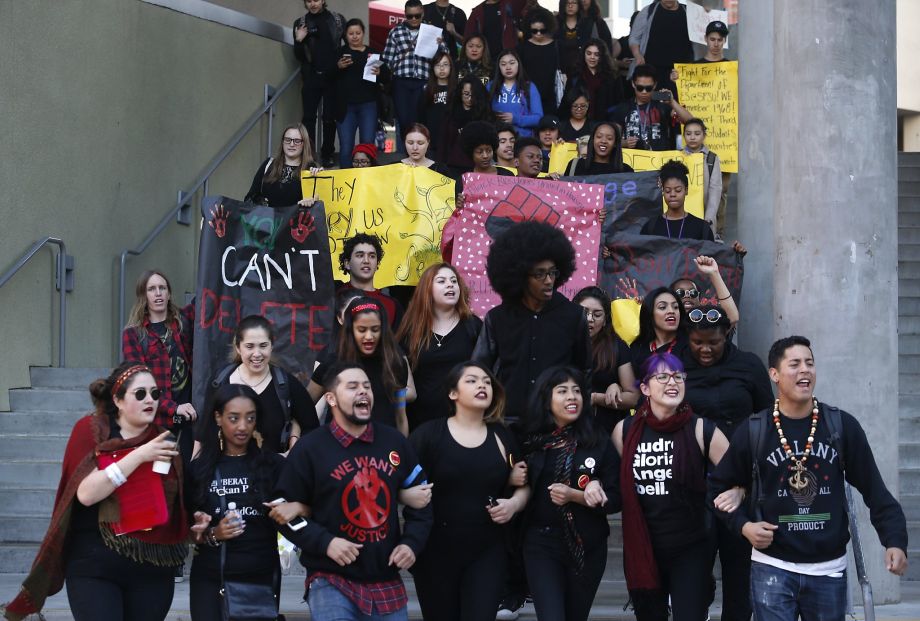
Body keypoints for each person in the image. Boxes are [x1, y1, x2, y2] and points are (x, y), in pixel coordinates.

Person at [709, 336, 909, 621]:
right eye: (795, 364)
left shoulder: (840, 426)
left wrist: (895, 540)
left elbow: (875, 490)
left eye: (810, 363)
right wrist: (744, 527)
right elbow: (716, 489)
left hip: (827, 571)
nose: (805, 370)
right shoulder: (755, 430)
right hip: (772, 568)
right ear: (774, 375)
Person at [3, 363, 207, 621]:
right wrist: (138, 456)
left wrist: (194, 519)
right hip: (95, 566)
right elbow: (85, 493)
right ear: (118, 400)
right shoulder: (90, 431)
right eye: (140, 394)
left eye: (155, 394)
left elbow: (176, 501)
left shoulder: (163, 440)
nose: (150, 400)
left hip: (153, 568)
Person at [275, 362, 433, 621]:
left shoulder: (394, 442)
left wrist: (411, 544)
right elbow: (280, 508)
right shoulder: (310, 448)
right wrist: (325, 542)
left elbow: (422, 499)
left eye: (367, 386)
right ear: (331, 398)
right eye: (353, 387)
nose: (363, 392)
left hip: (386, 580)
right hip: (330, 580)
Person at [612, 353, 731, 621]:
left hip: (690, 546)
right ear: (644, 388)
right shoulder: (624, 430)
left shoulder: (701, 429)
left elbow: (738, 474)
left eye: (678, 376)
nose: (672, 382)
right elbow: (613, 479)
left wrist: (736, 492)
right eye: (662, 377)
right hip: (644, 545)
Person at [409, 361, 529, 620]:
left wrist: (513, 504)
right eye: (472, 381)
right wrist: (404, 495)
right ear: (453, 393)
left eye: (486, 382)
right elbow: (398, 481)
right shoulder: (428, 435)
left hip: (488, 551)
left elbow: (524, 486)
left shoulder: (502, 436)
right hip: (435, 551)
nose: (482, 385)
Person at [678, 306, 772, 621]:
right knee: (694, 571)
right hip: (693, 484)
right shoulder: (676, 367)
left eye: (713, 343)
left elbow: (768, 419)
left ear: (727, 336)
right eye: (697, 342)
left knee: (740, 570)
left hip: (742, 486)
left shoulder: (749, 366)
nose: (705, 349)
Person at [188, 384, 295, 621]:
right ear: (218, 417)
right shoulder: (199, 469)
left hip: (260, 575)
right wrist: (214, 532)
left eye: (250, 418)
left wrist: (293, 508)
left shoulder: (274, 466)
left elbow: (304, 508)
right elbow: (189, 531)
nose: (243, 426)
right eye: (234, 418)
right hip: (211, 576)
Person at [520, 366, 620, 621]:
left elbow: (617, 496)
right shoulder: (529, 441)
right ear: (546, 398)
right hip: (541, 544)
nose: (572, 397)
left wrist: (578, 494)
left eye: (576, 391)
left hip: (587, 545)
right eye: (562, 391)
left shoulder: (597, 440)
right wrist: (512, 477)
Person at [473, 221, 591, 427]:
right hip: (506, 423)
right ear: (519, 276)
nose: (549, 280)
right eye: (540, 274)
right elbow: (478, 371)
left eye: (553, 272)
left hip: (557, 425)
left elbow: (583, 371)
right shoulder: (497, 318)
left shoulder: (574, 315)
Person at [205, 315, 319, 455]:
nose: (257, 354)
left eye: (263, 346)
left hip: (274, 474)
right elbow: (205, 431)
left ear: (272, 346)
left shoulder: (286, 384)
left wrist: (293, 454)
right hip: (228, 473)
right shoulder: (219, 381)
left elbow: (312, 428)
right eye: (250, 346)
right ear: (239, 348)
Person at [308, 297, 414, 436]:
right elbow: (305, 406)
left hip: (382, 448)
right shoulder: (332, 363)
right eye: (362, 330)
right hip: (340, 447)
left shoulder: (395, 363)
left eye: (375, 329)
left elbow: (400, 416)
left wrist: (402, 451)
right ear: (351, 330)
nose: (369, 336)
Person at [122, 269, 196, 463]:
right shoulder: (134, 335)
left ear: (169, 293)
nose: (158, 293)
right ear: (143, 295)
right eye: (152, 289)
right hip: (158, 423)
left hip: (189, 420)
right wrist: (173, 407)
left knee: (189, 478)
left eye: (162, 288)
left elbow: (208, 297)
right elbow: (138, 385)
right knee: (163, 479)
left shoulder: (184, 322)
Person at [397, 264, 483, 430]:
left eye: (454, 281)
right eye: (441, 281)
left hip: (465, 422)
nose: (450, 285)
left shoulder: (473, 325)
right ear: (427, 289)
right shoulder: (411, 330)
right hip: (421, 424)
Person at [382, 0, 446, 152]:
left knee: (422, 120)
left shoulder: (432, 31)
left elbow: (445, 59)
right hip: (401, 81)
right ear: (405, 15)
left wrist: (441, 45)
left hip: (424, 81)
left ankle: (422, 156)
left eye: (417, 15)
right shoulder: (396, 32)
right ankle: (407, 156)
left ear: (422, 12)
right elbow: (387, 60)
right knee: (404, 120)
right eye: (410, 16)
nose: (414, 19)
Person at [573, 286, 638, 433]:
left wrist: (597, 398)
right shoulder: (561, 344)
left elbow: (633, 398)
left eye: (597, 314)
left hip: (607, 430)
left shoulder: (617, 346)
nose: (590, 319)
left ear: (604, 320)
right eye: (584, 312)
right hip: (567, 429)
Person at [293, 0, 345, 168]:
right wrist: (299, 40)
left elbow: (346, 46)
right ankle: (309, 156)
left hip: (333, 76)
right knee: (308, 118)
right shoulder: (301, 23)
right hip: (311, 76)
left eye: (316, 0)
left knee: (329, 118)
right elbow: (299, 56)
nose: (312, 4)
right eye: (309, 1)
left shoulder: (337, 20)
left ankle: (328, 153)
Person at [335, 19, 387, 170]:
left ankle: (368, 183)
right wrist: (338, 66)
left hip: (368, 104)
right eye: (351, 33)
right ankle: (344, 184)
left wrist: (380, 72)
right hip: (345, 106)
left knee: (368, 146)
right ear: (346, 35)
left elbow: (387, 78)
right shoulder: (340, 52)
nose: (355, 36)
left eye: (358, 33)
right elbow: (327, 76)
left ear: (363, 33)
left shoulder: (374, 53)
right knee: (346, 147)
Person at [610, 64, 692, 151]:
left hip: (659, 160)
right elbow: (612, 139)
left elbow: (690, 121)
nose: (644, 92)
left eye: (648, 88)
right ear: (633, 84)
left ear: (655, 85)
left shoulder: (662, 104)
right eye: (640, 88)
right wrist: (625, 143)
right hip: (632, 160)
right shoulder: (623, 107)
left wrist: (672, 102)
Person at [337, 232, 405, 329]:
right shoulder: (335, 297)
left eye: (372, 256)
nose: (366, 261)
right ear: (347, 263)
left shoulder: (392, 305)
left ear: (377, 264)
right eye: (360, 255)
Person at [245, 124, 320, 207]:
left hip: (295, 219)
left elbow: (321, 207)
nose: (291, 144)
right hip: (267, 219)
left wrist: (321, 178)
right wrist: (261, 202)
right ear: (283, 142)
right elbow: (249, 198)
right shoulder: (268, 164)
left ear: (304, 144)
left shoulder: (311, 170)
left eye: (297, 141)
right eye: (288, 139)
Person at [640, 160, 714, 241]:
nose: (673, 194)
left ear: (686, 190)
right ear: (663, 192)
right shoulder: (650, 228)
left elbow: (712, 251)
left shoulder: (702, 228)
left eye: (678, 190)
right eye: (668, 191)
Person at [628, 0, 692, 86]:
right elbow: (634, 37)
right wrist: (637, 55)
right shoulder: (648, 11)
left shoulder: (689, 12)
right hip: (653, 71)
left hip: (681, 73)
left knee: (677, 99)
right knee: (654, 98)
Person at [437, 75, 494, 172]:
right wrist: (440, 165)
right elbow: (443, 143)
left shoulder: (485, 115)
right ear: (460, 94)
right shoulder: (451, 114)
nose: (470, 99)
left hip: (478, 167)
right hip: (452, 165)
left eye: (473, 95)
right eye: (466, 94)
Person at [628, 286, 687, 378]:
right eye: (663, 307)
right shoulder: (637, 348)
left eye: (675, 307)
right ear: (649, 314)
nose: (671, 311)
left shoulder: (689, 344)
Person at [669, 255, 740, 328]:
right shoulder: (665, 328)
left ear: (699, 300)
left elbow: (732, 318)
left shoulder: (706, 326)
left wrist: (714, 273)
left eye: (693, 293)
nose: (687, 295)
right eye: (680, 293)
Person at [681, 118, 722, 237]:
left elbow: (715, 189)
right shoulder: (678, 156)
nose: (692, 137)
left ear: (704, 136)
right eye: (688, 134)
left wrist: (709, 217)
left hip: (704, 214)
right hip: (683, 212)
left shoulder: (712, 158)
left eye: (697, 134)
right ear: (684, 136)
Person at [517, 8, 560, 119]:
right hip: (528, 98)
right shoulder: (522, 48)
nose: (539, 34)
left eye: (542, 30)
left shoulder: (558, 47)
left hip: (551, 98)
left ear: (549, 28)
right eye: (534, 31)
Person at [490, 49, 543, 138]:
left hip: (523, 139)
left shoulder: (529, 86)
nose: (508, 67)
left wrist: (516, 119)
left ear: (518, 64)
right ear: (498, 67)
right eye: (503, 64)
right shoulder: (491, 86)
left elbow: (539, 118)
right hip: (498, 139)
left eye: (512, 63)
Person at [565, 39, 622, 121]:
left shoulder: (613, 76)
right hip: (580, 122)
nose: (592, 57)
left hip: (605, 123)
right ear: (584, 54)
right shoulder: (575, 76)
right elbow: (567, 102)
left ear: (602, 56)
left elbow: (619, 103)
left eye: (596, 54)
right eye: (589, 53)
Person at [416, 52, 456, 154]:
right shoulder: (426, 90)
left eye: (445, 64)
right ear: (432, 68)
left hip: (452, 141)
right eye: (438, 65)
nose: (441, 68)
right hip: (432, 140)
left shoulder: (457, 90)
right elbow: (420, 116)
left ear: (451, 67)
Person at [567, 122, 633, 176]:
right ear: (592, 140)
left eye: (609, 138)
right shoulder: (575, 165)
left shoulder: (626, 171)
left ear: (615, 143)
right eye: (599, 137)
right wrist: (557, 180)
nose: (603, 141)